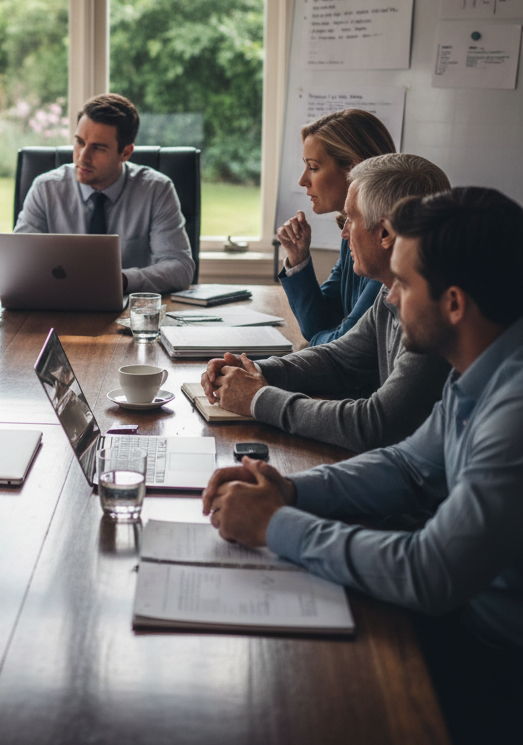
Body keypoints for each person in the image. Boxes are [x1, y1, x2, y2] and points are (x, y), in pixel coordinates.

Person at [202, 187, 523, 742]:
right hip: (466, 617)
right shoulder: (480, 367)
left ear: (453, 303)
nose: (389, 299)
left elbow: (430, 572)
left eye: (402, 284)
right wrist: (290, 492)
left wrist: (274, 524)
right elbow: (406, 467)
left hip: (494, 657)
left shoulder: (513, 409)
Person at [202, 153, 450, 451]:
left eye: (351, 220)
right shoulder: (390, 291)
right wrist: (255, 371)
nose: (344, 234)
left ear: (385, 232)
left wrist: (257, 398)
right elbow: (338, 359)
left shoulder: (433, 314)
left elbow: (376, 423)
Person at [13, 93, 194, 294]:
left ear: (125, 153)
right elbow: (18, 264)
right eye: (80, 142)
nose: (83, 157)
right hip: (57, 309)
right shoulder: (45, 189)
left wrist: (120, 280)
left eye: (98, 148)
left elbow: (180, 268)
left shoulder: (156, 190)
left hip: (128, 313)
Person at [276, 109, 396, 344]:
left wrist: (323, 340)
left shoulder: (385, 243)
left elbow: (342, 344)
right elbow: (319, 325)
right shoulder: (350, 235)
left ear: (353, 170)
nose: (302, 180)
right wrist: (298, 258)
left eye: (313, 167)